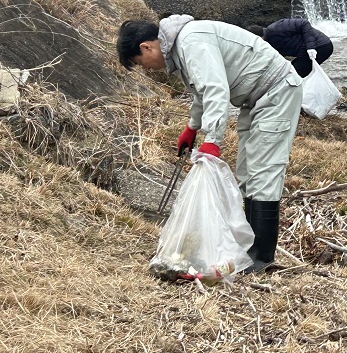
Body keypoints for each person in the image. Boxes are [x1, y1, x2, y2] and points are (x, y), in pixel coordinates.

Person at [117, 15, 303, 272]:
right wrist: (192, 127)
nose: (146, 68)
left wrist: (212, 141)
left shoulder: (192, 41)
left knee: (265, 170)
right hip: (256, 99)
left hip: (277, 91)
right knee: (248, 172)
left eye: (141, 63)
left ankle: (262, 256)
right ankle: (250, 250)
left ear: (146, 47)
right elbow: (201, 93)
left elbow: (216, 90)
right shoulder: (181, 48)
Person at [247, 18, 334, 78]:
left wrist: (310, 47)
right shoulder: (267, 44)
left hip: (320, 46)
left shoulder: (276, 28)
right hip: (303, 52)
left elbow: (304, 23)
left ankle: (302, 100)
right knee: (291, 74)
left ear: (259, 37)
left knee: (293, 76)